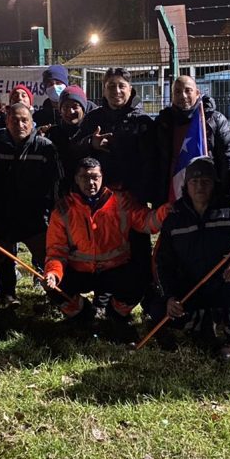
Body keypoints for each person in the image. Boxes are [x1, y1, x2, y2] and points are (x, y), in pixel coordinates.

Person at [43, 158, 168, 342]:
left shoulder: (121, 201)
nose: (90, 183)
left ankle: (116, 313)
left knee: (139, 280)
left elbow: (147, 222)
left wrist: (166, 211)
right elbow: (56, 250)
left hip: (114, 269)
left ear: (102, 177)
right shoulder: (63, 210)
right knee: (54, 287)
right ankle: (83, 313)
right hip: (80, 271)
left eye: (95, 177)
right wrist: (53, 273)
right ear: (76, 179)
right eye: (84, 177)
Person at [152, 158, 230, 359]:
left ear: (215, 184)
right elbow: (164, 262)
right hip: (192, 286)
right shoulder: (175, 218)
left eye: (205, 181)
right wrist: (170, 297)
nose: (199, 186)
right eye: (194, 182)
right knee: (157, 308)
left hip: (225, 283)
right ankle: (202, 322)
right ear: (186, 186)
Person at [72, 67, 159, 298]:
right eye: (111, 86)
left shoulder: (143, 121)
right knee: (104, 247)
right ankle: (103, 298)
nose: (116, 91)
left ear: (130, 89)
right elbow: (74, 149)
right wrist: (90, 143)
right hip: (101, 201)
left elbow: (152, 162)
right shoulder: (94, 119)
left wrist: (141, 193)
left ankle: (142, 296)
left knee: (138, 249)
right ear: (104, 90)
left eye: (121, 86)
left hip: (133, 200)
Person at [0, 103, 63, 307]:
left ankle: (60, 301)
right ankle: (2, 298)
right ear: (7, 121)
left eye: (24, 120)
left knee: (49, 260)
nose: (20, 124)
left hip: (34, 219)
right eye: (14, 120)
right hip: (2, 217)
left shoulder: (45, 147)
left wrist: (53, 214)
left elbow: (55, 184)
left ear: (32, 122)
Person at [153, 75, 230, 204]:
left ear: (197, 93)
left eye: (188, 90)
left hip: (209, 196)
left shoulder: (215, 120)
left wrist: (223, 194)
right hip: (172, 195)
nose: (183, 96)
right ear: (172, 96)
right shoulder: (163, 122)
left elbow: (227, 159)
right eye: (177, 92)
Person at [43, 85, 93, 184]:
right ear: (60, 110)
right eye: (66, 107)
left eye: (75, 106)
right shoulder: (52, 133)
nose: (70, 111)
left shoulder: (92, 131)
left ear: (83, 109)